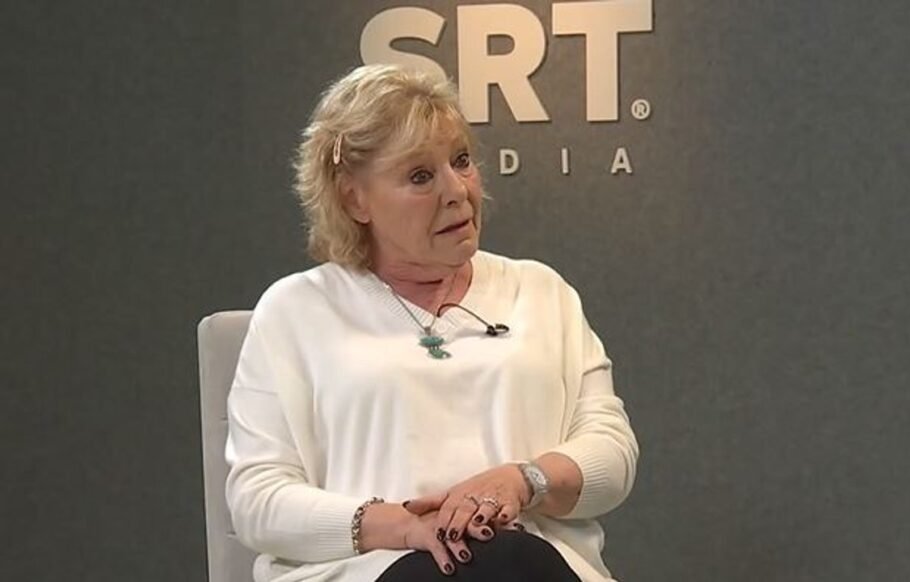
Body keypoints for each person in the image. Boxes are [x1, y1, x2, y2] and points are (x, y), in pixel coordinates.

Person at [225, 63, 639, 582]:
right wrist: (402, 526)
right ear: (354, 198)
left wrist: (523, 480)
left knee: (510, 561)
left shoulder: (540, 291)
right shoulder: (295, 311)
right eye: (420, 176)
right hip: (370, 568)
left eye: (461, 161)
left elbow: (611, 451)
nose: (457, 190)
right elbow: (257, 498)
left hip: (531, 562)